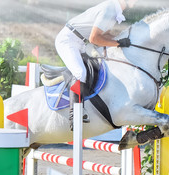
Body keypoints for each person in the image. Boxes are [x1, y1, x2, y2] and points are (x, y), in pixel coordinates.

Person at [55, 0, 138, 130]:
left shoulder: (115, 11)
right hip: (68, 41)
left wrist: (122, 40)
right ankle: (74, 115)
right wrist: (118, 43)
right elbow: (94, 38)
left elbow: (103, 35)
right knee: (80, 73)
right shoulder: (110, 9)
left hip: (81, 43)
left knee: (96, 69)